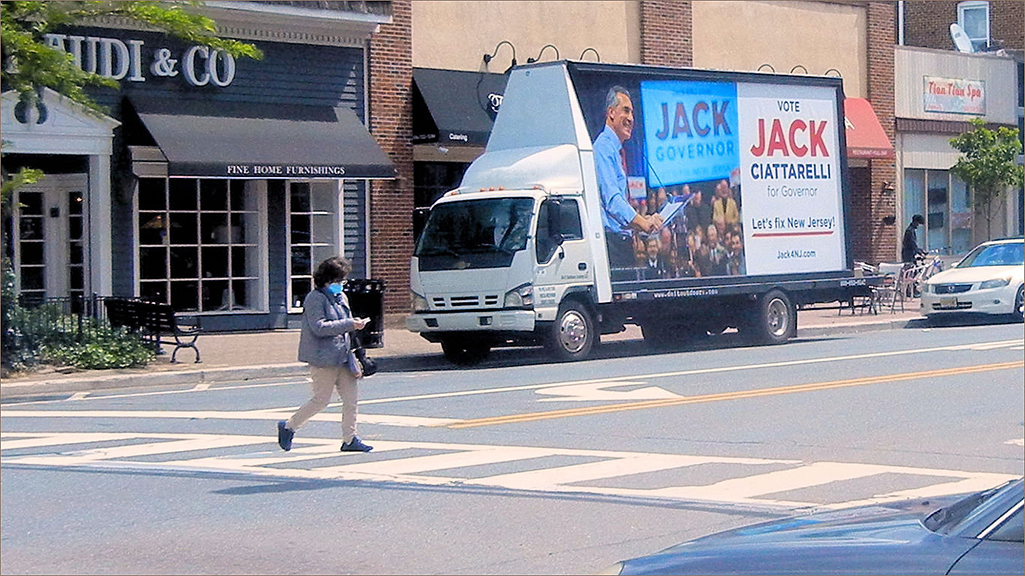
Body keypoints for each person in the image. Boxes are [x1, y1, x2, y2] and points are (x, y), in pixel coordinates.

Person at [277, 256, 372, 453]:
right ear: (327, 279)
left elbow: (345, 324)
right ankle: (289, 426)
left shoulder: (341, 297)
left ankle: (350, 438)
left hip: (343, 356)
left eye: (342, 280)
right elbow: (319, 327)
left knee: (351, 400)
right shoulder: (315, 298)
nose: (341, 284)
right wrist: (349, 324)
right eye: (338, 280)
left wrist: (355, 327)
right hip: (323, 358)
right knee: (321, 400)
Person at [593, 85, 662, 268]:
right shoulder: (603, 149)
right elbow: (612, 201)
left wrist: (643, 221)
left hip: (621, 243)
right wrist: (643, 223)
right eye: (626, 110)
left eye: (632, 112)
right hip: (611, 245)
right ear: (611, 113)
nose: (631, 118)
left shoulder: (616, 151)